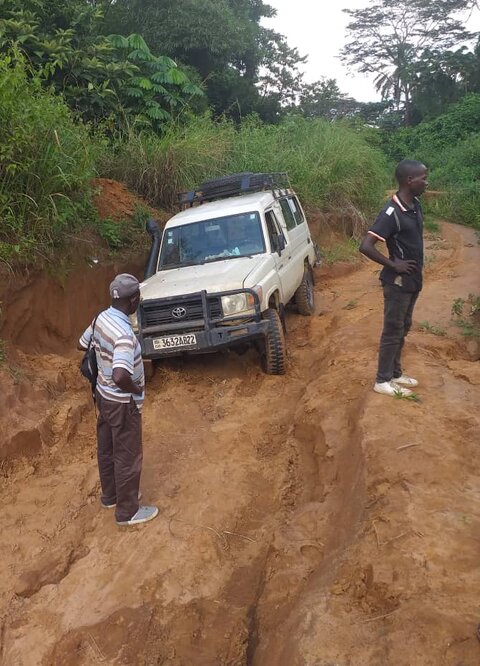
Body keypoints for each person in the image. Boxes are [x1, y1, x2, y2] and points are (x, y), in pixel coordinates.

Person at [79, 273, 159, 526]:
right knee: (127, 455)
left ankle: (110, 496)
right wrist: (136, 389)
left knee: (107, 449)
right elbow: (121, 374)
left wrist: (103, 360)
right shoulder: (124, 335)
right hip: (123, 402)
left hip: (102, 396)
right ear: (134, 299)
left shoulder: (100, 318)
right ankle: (128, 512)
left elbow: (82, 344)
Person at [359, 160, 428, 397]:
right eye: (423, 178)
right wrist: (393, 264)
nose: (426, 182)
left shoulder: (415, 205)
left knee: (404, 327)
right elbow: (366, 246)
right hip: (397, 284)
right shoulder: (392, 212)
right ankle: (382, 380)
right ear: (409, 180)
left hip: (412, 281)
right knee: (392, 330)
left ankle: (396, 373)